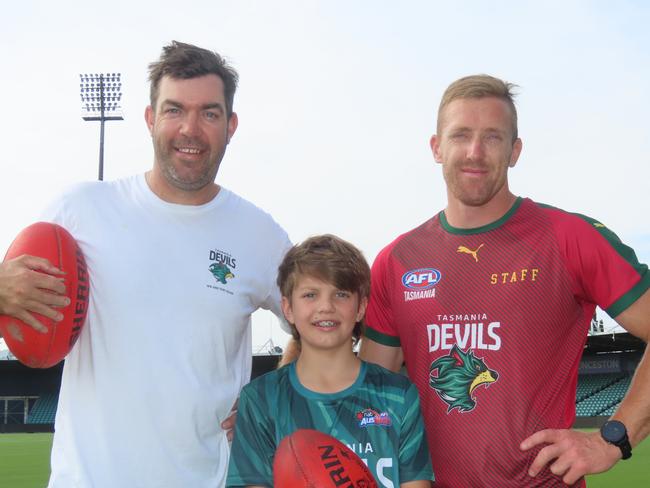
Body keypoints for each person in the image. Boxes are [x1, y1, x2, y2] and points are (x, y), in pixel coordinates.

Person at [0, 41, 291, 487]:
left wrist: (275, 393)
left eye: (209, 113)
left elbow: (321, 321)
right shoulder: (80, 209)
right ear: (150, 118)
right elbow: (16, 293)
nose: (190, 129)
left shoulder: (259, 235)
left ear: (231, 126)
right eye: (174, 110)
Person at [359, 74, 650, 487]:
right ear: (437, 148)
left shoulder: (568, 237)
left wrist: (612, 439)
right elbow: (369, 396)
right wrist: (284, 404)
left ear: (515, 151)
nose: (475, 152)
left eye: (493, 137)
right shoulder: (396, 262)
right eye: (461, 135)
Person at [226, 234, 435, 488]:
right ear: (288, 308)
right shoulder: (261, 400)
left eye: (341, 294)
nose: (326, 306)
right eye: (310, 295)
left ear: (360, 308)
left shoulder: (398, 396)